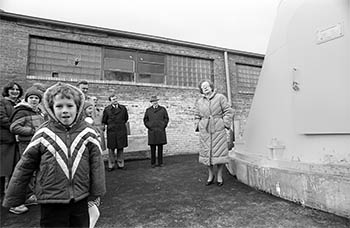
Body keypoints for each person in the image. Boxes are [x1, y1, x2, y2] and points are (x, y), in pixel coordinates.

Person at [2, 82, 106, 227]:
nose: (65, 110)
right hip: (51, 198)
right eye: (59, 106)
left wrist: (96, 192)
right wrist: (14, 197)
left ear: (78, 107)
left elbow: (96, 164)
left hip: (80, 196)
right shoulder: (44, 133)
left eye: (69, 106)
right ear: (51, 108)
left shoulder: (87, 132)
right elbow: (25, 165)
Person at [9, 87, 46, 210]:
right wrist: (32, 131)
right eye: (31, 97)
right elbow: (14, 127)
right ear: (27, 99)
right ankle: (17, 201)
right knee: (25, 171)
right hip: (26, 144)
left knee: (34, 171)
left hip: (37, 144)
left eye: (36, 98)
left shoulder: (38, 112)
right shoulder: (22, 111)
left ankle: (30, 195)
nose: (34, 100)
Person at [194, 80, 234, 187]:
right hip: (205, 130)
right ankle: (210, 175)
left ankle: (220, 176)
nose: (206, 88)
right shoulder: (199, 102)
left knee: (219, 153)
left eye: (207, 86)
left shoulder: (220, 97)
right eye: (203, 87)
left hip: (218, 129)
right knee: (208, 154)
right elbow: (197, 115)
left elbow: (228, 111)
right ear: (201, 90)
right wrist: (199, 125)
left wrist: (223, 123)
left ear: (211, 87)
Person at [0, 81, 23, 212]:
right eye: (12, 89)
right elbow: (1, 118)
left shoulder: (19, 104)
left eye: (17, 89)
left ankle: (8, 197)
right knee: (2, 170)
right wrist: (15, 128)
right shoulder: (2, 102)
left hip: (15, 141)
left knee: (13, 170)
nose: (15, 92)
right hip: (5, 141)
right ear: (7, 91)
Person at [102, 94, 128, 171]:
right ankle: (111, 165)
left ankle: (120, 164)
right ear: (110, 101)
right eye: (113, 99)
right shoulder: (107, 109)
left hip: (121, 130)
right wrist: (111, 125)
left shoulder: (123, 108)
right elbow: (104, 120)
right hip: (112, 131)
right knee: (111, 149)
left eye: (116, 99)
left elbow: (126, 118)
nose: (115, 100)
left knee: (120, 148)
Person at [143, 95, 169, 168]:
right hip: (152, 131)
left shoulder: (162, 109)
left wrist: (163, 125)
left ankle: (160, 162)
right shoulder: (148, 110)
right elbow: (145, 120)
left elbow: (166, 118)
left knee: (160, 148)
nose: (155, 102)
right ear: (151, 102)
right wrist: (149, 126)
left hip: (160, 131)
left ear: (158, 101)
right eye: (153, 101)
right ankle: (153, 163)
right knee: (153, 148)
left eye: (156, 101)